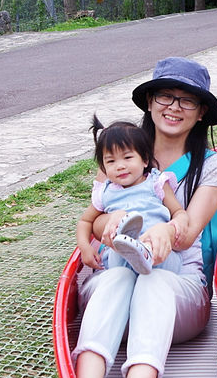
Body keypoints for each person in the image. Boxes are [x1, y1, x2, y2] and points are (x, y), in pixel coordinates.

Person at [72, 57, 217, 378]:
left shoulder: (211, 166)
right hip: (117, 274)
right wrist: (114, 226)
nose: (174, 107)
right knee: (118, 278)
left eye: (188, 101)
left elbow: (190, 228)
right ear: (149, 101)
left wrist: (165, 231)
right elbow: (96, 215)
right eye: (165, 96)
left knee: (154, 281)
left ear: (201, 114)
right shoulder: (122, 152)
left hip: (177, 282)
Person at [76, 116, 187, 276]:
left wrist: (176, 225)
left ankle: (142, 252)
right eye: (111, 161)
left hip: (157, 250)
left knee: (161, 258)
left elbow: (178, 211)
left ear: (144, 159)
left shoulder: (156, 182)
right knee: (118, 256)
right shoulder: (105, 192)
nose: (120, 166)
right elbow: (85, 221)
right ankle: (130, 248)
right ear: (103, 167)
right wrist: (85, 247)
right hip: (119, 257)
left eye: (128, 158)